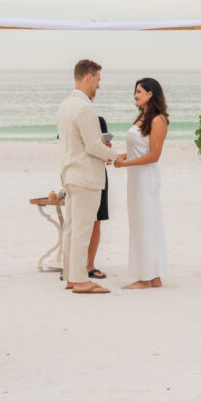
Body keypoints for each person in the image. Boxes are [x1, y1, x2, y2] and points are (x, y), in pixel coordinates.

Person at [56, 59, 118, 294]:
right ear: (89, 77)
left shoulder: (65, 106)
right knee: (82, 230)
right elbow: (93, 146)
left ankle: (72, 277)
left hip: (70, 174)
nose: (99, 85)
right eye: (99, 80)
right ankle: (81, 280)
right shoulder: (85, 108)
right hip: (85, 177)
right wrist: (116, 157)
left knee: (72, 230)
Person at [114, 78, 169, 289]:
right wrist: (118, 156)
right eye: (135, 91)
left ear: (151, 93)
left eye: (139, 91)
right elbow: (139, 150)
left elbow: (154, 155)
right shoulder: (143, 117)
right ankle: (153, 276)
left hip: (146, 178)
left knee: (146, 224)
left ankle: (146, 278)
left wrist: (125, 163)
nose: (135, 95)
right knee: (141, 224)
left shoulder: (158, 120)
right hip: (136, 177)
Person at [85, 114, 111, 280]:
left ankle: (89, 265)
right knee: (76, 221)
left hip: (99, 173)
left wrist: (107, 148)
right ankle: (70, 265)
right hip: (78, 172)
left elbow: (105, 150)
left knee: (96, 220)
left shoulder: (99, 121)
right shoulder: (72, 118)